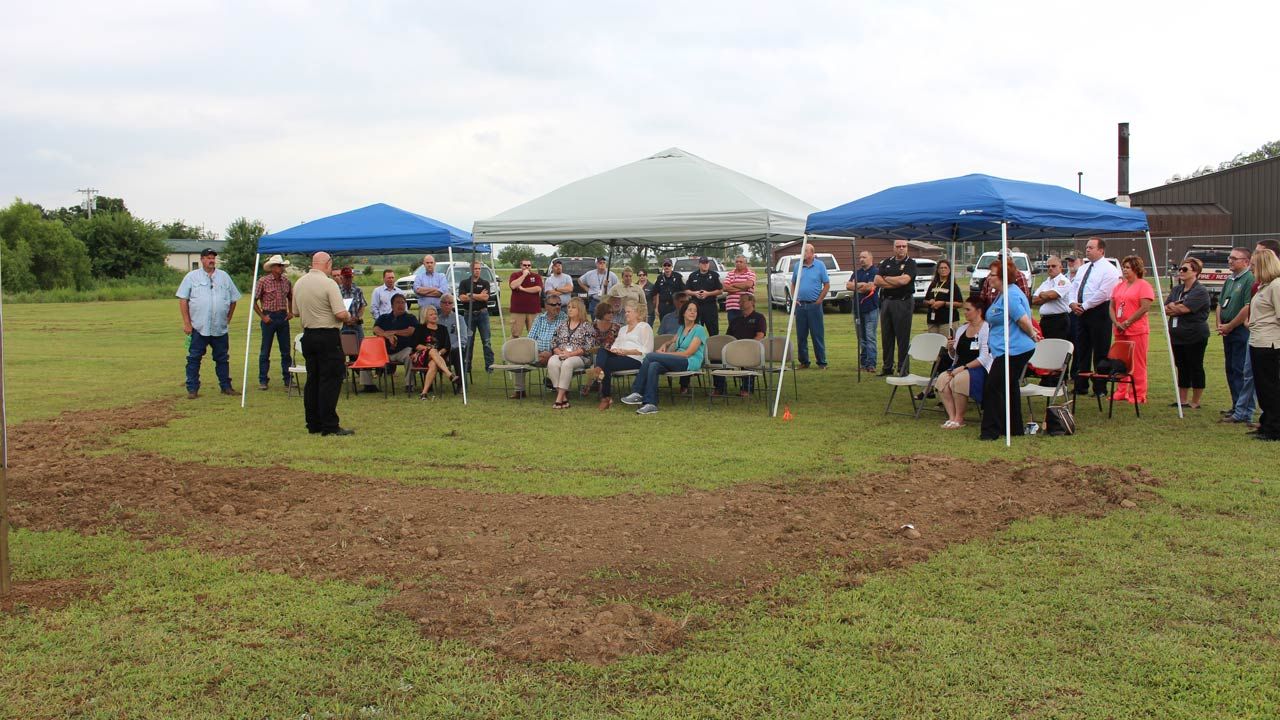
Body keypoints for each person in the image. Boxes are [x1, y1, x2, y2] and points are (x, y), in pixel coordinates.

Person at [979, 261, 1042, 441]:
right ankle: (1013, 427)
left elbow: (1022, 319)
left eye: (992, 274)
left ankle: (990, 431)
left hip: (1014, 350)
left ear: (1002, 277)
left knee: (993, 387)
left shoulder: (1011, 296)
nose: (988, 278)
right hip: (1004, 350)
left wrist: (1032, 335)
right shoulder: (1002, 294)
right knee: (1010, 387)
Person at [292, 252, 353, 435]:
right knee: (330, 380)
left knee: (313, 380)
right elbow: (340, 313)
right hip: (327, 335)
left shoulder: (299, 283)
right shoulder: (329, 283)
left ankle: (313, 423)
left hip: (308, 335)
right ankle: (329, 425)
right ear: (328, 264)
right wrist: (349, 316)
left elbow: (295, 312)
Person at [622, 301, 707, 415]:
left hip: (689, 361)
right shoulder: (682, 328)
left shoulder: (699, 329)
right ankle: (651, 403)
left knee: (650, 356)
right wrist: (665, 345)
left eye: (695, 310)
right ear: (683, 313)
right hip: (678, 360)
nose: (693, 312)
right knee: (654, 365)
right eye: (690, 310)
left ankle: (637, 391)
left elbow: (688, 353)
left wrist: (665, 355)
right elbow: (673, 340)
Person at [177, 247, 241, 399]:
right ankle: (192, 389)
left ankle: (226, 387)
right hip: (199, 326)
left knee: (222, 358)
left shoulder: (224, 277)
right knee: (194, 358)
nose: (211, 260)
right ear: (202, 259)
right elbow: (183, 299)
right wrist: (187, 323)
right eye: (208, 257)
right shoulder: (191, 277)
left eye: (213, 257)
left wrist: (228, 318)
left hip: (219, 327)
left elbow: (233, 299)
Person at [1069, 237, 1122, 398]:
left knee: (1100, 349)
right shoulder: (1084, 268)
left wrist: (1085, 306)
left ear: (1101, 250)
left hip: (1099, 312)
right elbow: (1074, 286)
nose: (1087, 250)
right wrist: (1072, 303)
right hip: (1080, 311)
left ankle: (1100, 388)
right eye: (1087, 247)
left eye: (1091, 247)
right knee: (1082, 349)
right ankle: (1081, 384)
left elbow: (1103, 293)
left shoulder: (1109, 270)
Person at [936, 297, 992, 430]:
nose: (965, 312)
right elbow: (955, 356)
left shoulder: (986, 329)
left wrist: (963, 368)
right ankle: (952, 416)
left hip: (977, 368)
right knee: (942, 379)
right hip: (959, 366)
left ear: (979, 311)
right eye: (964, 309)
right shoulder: (962, 329)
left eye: (968, 309)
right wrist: (951, 348)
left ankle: (959, 418)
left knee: (959, 380)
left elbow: (984, 358)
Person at [1165, 257, 1211, 409]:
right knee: (1181, 366)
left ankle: (1195, 401)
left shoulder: (1200, 291)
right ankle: (1182, 400)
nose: (1181, 272)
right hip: (1177, 336)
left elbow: (1186, 309)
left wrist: (1175, 307)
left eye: (1185, 269)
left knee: (1195, 366)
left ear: (1196, 272)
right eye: (1180, 269)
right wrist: (1174, 306)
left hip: (1195, 335)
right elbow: (1165, 308)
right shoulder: (1177, 289)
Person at [1218, 247, 1257, 426]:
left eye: (1234, 258)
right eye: (1229, 257)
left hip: (1240, 330)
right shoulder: (1230, 279)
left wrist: (1230, 325)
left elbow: (1247, 307)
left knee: (1240, 369)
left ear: (1246, 262)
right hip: (1227, 330)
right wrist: (1220, 324)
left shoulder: (1249, 279)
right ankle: (1236, 405)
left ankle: (1244, 409)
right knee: (1231, 369)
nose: (1230, 261)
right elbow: (1220, 303)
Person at [1110, 256, 1155, 405]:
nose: (1124, 270)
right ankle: (1121, 391)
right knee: (1121, 362)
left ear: (1136, 269)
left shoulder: (1144, 285)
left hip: (1137, 330)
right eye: (1123, 267)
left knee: (1137, 363)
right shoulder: (1119, 286)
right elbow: (1112, 305)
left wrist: (1128, 322)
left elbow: (1145, 307)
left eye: (1128, 267)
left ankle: (1138, 393)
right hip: (1120, 330)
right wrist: (1116, 322)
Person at [1247, 248, 1280, 441]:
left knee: (1270, 386)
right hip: (1258, 341)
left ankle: (1274, 428)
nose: (1251, 269)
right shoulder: (1263, 286)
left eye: (1253, 265)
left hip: (1270, 343)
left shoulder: (1276, 286)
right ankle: (1266, 422)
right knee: (1262, 386)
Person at [597, 301, 653, 410]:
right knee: (602, 350)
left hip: (635, 359)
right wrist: (615, 350)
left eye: (629, 312)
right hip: (620, 355)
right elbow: (615, 344)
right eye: (625, 312)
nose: (626, 314)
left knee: (606, 365)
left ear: (637, 313)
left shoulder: (644, 327)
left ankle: (605, 397)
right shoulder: (623, 329)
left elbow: (647, 350)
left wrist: (627, 352)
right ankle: (598, 369)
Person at [875, 239, 918, 375]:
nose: (901, 249)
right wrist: (895, 281)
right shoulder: (886, 262)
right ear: (893, 248)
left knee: (902, 337)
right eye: (898, 246)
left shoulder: (911, 263)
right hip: (887, 301)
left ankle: (902, 368)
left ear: (907, 248)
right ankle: (887, 367)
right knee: (886, 336)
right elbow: (877, 280)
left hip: (903, 302)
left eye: (903, 246)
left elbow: (904, 280)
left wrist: (886, 278)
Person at [510, 296, 566, 399]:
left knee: (548, 357)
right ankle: (520, 391)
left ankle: (561, 389)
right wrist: (535, 352)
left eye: (559, 304)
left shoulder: (564, 319)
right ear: (546, 306)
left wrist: (552, 352)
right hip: (537, 352)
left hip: (555, 353)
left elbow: (564, 342)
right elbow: (531, 338)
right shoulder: (539, 318)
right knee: (518, 358)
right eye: (554, 304)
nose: (557, 307)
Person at [546, 298, 597, 409]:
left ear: (580, 310)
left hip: (581, 357)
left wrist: (571, 354)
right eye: (568, 307)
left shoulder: (587, 326)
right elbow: (553, 341)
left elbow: (588, 346)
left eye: (573, 307)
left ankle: (559, 398)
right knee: (552, 362)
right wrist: (558, 352)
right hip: (562, 354)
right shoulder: (562, 325)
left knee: (567, 363)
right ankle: (564, 397)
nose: (569, 310)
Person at [713, 293, 766, 397]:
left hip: (750, 350)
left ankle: (747, 389)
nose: (739, 303)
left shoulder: (759, 318)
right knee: (716, 359)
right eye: (739, 301)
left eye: (743, 301)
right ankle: (720, 388)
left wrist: (747, 346)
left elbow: (760, 335)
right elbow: (728, 337)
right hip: (734, 351)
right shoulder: (735, 320)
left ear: (752, 302)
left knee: (747, 358)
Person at [253, 254, 293, 391]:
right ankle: (263, 380)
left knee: (286, 350)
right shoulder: (263, 281)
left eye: (282, 266)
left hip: (282, 316)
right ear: (273, 267)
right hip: (269, 316)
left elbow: (291, 297)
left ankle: (288, 378)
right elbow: (254, 301)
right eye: (279, 266)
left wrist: (290, 311)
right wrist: (263, 316)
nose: (282, 268)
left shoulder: (286, 281)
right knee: (265, 351)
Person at [790, 244, 830, 370]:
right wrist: (794, 299)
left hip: (814, 305)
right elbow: (793, 283)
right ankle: (804, 362)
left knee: (817, 335)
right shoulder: (797, 266)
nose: (803, 253)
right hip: (801, 306)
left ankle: (822, 362)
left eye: (805, 251)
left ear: (812, 253)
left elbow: (827, 285)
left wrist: (819, 300)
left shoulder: (820, 265)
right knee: (801, 336)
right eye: (802, 251)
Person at [410, 305, 460, 398]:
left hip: (438, 357)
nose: (434, 316)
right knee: (432, 350)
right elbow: (415, 345)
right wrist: (429, 350)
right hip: (422, 356)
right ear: (425, 316)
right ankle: (449, 374)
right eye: (431, 314)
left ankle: (424, 393)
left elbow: (446, 346)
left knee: (433, 364)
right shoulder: (420, 328)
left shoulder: (443, 328)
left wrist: (438, 354)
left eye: (435, 314)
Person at [372, 294, 418, 392]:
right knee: (367, 354)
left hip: (403, 350)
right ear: (392, 305)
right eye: (398, 302)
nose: (401, 305)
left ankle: (409, 385)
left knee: (409, 355)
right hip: (385, 352)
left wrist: (394, 332)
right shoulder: (384, 318)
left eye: (403, 302)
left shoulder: (410, 317)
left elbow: (411, 331)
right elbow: (376, 329)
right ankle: (367, 385)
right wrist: (386, 335)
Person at [457, 260, 495, 373]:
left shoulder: (485, 283)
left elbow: (485, 298)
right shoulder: (464, 283)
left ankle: (489, 367)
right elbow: (462, 298)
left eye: (479, 269)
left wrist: (471, 295)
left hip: (482, 314)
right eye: (475, 269)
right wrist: (478, 295)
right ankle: (467, 367)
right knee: (468, 341)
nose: (477, 271)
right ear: (471, 269)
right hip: (469, 314)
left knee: (486, 341)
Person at [848, 250, 879, 372]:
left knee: (870, 336)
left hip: (870, 308)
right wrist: (863, 286)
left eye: (864, 257)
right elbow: (848, 286)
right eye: (860, 257)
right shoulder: (857, 272)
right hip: (857, 310)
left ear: (871, 258)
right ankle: (863, 362)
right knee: (861, 337)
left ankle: (871, 364)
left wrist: (857, 285)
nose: (861, 259)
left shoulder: (875, 272)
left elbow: (871, 287)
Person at [582, 301, 621, 397]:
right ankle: (601, 385)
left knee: (602, 354)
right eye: (608, 312)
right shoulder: (592, 326)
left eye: (612, 312)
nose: (611, 314)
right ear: (602, 313)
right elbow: (587, 342)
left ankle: (591, 382)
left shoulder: (617, 327)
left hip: (611, 353)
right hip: (593, 353)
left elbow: (619, 343)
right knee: (599, 354)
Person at [1031, 256, 1072, 342]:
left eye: (1053, 266)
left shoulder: (1064, 281)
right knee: (1045, 347)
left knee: (1057, 348)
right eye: (1048, 266)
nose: (1050, 268)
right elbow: (1034, 300)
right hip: (1045, 320)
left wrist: (1043, 294)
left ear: (1060, 268)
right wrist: (1047, 296)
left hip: (1059, 320)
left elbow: (1052, 295)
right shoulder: (1046, 282)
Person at [337, 267, 367, 371]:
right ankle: (342, 373)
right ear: (341, 278)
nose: (348, 280)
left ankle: (362, 372)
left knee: (361, 350)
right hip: (342, 325)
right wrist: (346, 319)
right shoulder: (337, 291)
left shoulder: (358, 290)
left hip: (356, 325)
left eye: (350, 278)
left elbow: (362, 305)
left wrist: (358, 317)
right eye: (346, 278)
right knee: (341, 350)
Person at [923, 258, 963, 334]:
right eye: (941, 268)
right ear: (937, 270)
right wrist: (929, 302)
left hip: (947, 321)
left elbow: (960, 303)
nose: (943, 270)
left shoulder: (952, 285)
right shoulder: (933, 284)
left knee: (945, 344)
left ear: (949, 270)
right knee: (934, 344)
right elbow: (924, 301)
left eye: (945, 268)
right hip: (933, 321)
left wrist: (944, 303)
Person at [685, 256, 723, 336]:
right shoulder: (693, 275)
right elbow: (686, 290)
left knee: (713, 331)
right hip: (696, 307)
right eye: (703, 263)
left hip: (710, 306)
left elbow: (720, 290)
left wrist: (707, 294)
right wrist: (695, 293)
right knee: (695, 331)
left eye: (706, 263)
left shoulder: (714, 275)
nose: (705, 265)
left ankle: (713, 347)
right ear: (699, 264)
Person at [507, 259, 543, 337]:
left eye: (528, 265)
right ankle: (514, 349)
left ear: (531, 266)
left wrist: (523, 289)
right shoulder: (515, 275)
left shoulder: (536, 276)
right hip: (518, 310)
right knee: (515, 334)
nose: (527, 267)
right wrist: (524, 275)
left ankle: (533, 349)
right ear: (521, 266)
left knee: (535, 335)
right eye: (524, 265)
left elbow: (538, 289)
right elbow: (513, 285)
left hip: (533, 310)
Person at [437, 294, 469, 379]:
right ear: (440, 304)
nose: (447, 305)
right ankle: (429, 387)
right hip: (439, 351)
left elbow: (463, 339)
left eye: (450, 303)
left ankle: (460, 384)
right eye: (445, 302)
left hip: (454, 350)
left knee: (458, 353)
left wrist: (449, 347)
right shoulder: (436, 319)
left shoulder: (459, 319)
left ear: (453, 305)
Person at [412, 255, 449, 319]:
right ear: (424, 264)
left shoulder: (441, 276)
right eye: (427, 263)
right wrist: (434, 289)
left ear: (435, 264)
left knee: (440, 328)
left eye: (431, 263)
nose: (429, 265)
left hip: (439, 310)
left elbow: (441, 292)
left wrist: (424, 292)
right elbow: (418, 290)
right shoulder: (419, 277)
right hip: (423, 311)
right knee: (423, 329)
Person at [723, 255, 757, 324]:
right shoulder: (730, 273)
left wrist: (733, 285)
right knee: (733, 330)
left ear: (745, 263)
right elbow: (724, 287)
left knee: (745, 329)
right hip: (732, 307)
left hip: (746, 307)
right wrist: (742, 289)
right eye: (736, 262)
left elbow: (748, 284)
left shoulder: (750, 273)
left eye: (741, 262)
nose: (738, 263)